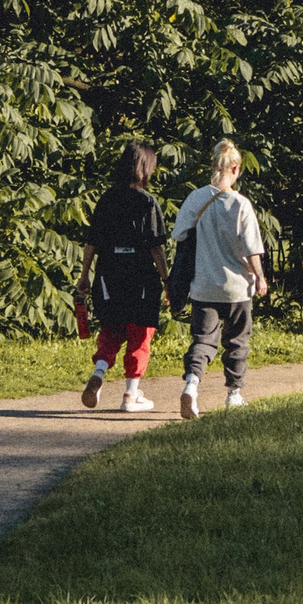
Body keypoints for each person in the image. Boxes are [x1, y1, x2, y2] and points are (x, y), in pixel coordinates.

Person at [172, 139, 266, 420]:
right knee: (237, 341)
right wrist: (260, 278)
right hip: (237, 288)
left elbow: (178, 235)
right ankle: (233, 394)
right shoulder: (240, 204)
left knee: (203, 340)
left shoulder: (196, 198)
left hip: (203, 285)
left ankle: (192, 384)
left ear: (213, 166)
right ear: (235, 168)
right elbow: (251, 250)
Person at [78, 143, 167, 413]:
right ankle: (131, 395)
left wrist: (85, 276)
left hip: (109, 274)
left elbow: (92, 242)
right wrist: (166, 279)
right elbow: (155, 246)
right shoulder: (146, 202)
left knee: (112, 328)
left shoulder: (106, 199)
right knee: (140, 333)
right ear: (145, 168)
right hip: (140, 276)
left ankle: (100, 370)